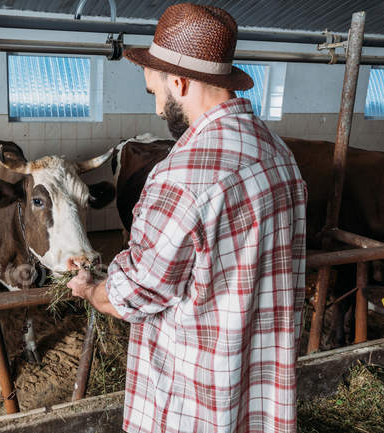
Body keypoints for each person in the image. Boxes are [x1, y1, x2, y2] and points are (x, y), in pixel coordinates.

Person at [68, 3, 307, 433]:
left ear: (179, 82)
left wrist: (91, 288)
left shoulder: (182, 175)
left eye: (156, 93)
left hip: (195, 403)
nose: (159, 110)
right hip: (259, 395)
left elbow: (137, 291)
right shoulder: (280, 155)